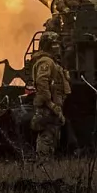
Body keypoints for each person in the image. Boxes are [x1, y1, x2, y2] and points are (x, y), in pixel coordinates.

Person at [30, 31, 71, 159]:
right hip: (48, 108)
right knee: (46, 137)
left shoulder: (52, 62)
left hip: (53, 108)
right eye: (54, 44)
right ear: (48, 45)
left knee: (52, 136)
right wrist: (51, 104)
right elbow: (42, 83)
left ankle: (46, 168)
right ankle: (42, 167)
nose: (58, 47)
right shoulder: (46, 62)